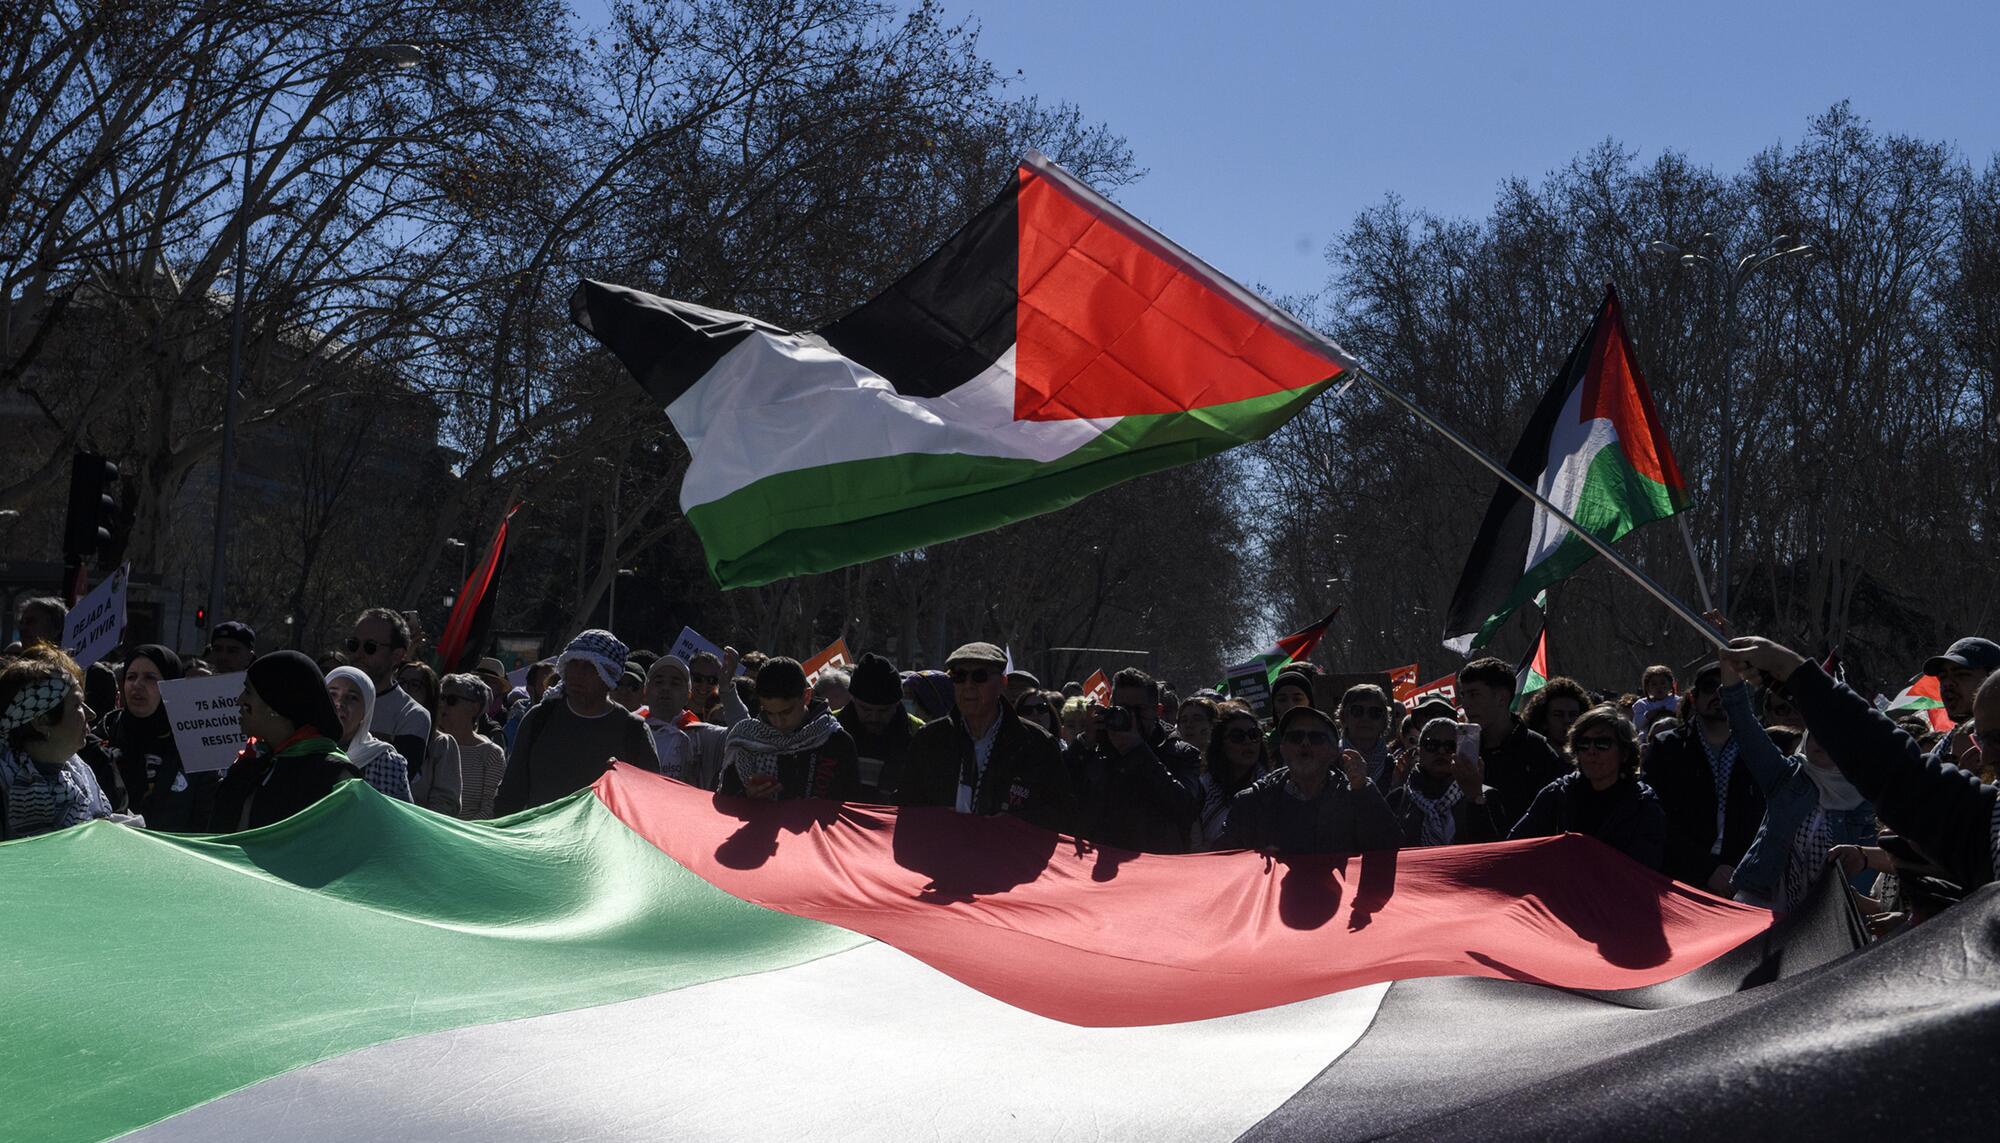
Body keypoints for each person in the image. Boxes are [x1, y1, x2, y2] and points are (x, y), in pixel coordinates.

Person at [1726, 635, 1998, 896]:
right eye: (1981, 740)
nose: (1985, 757)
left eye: (1961, 675)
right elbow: (1899, 772)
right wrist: (1794, 676)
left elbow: (1902, 775)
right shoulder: (1791, 778)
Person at [1715, 658, 1876, 915]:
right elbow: (1743, 724)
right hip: (1760, 909)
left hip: (1825, 920)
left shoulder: (1867, 800)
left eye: (1831, 734)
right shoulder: (1787, 777)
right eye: (1816, 730)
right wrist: (1729, 661)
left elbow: (1866, 873)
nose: (1820, 740)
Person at [899, 642, 1074, 832]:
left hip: (1008, 856)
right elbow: (906, 804)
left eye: (979, 676)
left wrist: (1012, 823)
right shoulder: (929, 739)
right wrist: (937, 817)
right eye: (959, 676)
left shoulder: (1036, 744)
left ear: (1002, 683)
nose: (968, 685)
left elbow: (1062, 813)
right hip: (941, 854)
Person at [494, 630, 659, 814]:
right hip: (542, 840)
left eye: (589, 667)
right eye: (573, 664)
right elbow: (511, 793)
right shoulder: (539, 718)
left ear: (608, 676)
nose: (578, 674)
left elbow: (649, 803)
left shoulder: (633, 730)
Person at [1644, 662, 1768, 893]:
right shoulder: (1667, 747)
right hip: (1680, 880)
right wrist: (1706, 869)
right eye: (1710, 687)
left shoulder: (1761, 749)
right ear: (1693, 698)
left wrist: (1740, 869)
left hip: (1746, 880)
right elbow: (1654, 817)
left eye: (1728, 689)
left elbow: (1770, 817)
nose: (1719, 695)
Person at [210, 651, 362, 831]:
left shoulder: (335, 778)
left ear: (275, 705)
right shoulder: (248, 768)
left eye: (248, 692)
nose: (239, 700)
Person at [1221, 704, 1401, 855]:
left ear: (1333, 752)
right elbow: (1226, 865)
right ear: (1283, 749)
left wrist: (1364, 790)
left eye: (1316, 738)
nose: (1304, 743)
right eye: (1295, 737)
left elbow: (1390, 850)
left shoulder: (1354, 796)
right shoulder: (1252, 802)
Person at [1508, 706, 1667, 870]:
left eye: (1602, 744)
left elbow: (1645, 871)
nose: (1591, 751)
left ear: (1624, 753)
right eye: (1584, 744)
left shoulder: (1642, 805)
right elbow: (1514, 847)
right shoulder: (1557, 793)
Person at [1069, 667, 1202, 853]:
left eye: (1138, 710)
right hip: (1100, 860)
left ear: (1158, 711)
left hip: (1156, 867)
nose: (1130, 717)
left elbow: (1186, 809)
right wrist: (1084, 743)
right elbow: (1058, 792)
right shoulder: (1098, 745)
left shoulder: (1181, 753)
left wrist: (1137, 750)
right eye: (1123, 709)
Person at [0, 646, 116, 839]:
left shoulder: (80, 776)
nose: (91, 714)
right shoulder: (5, 787)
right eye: (78, 705)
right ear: (42, 721)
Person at [717, 657, 858, 801]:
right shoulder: (746, 740)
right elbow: (724, 799)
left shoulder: (836, 741)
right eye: (769, 712)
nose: (778, 722)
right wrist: (747, 796)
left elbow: (850, 806)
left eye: (786, 712)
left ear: (806, 696)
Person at [1456, 657, 1566, 832]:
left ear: (1501, 698)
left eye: (1474, 694)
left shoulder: (1536, 750)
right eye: (1463, 694)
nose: (1466, 704)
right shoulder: (1463, 751)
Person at [101, 644, 194, 830]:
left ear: (170, 683)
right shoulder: (103, 737)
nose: (137, 685)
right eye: (131, 677)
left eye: (150, 678)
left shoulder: (192, 745)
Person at [1386, 717, 1505, 847]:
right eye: (1432, 745)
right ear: (1419, 751)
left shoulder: (1486, 795)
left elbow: (1494, 851)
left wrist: (1475, 798)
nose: (1441, 752)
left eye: (1451, 746)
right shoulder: (1398, 799)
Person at [344, 608, 430, 769]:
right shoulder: (330, 699)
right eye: (353, 644)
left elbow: (399, 779)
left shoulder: (412, 715)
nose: (358, 653)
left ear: (397, 655)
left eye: (370, 647)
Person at [836, 653, 921, 799]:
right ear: (852, 699)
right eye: (866, 709)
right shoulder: (826, 728)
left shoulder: (920, 734)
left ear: (897, 703)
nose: (875, 718)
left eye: (884, 710)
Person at [325, 667, 414, 802]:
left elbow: (395, 817)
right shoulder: (301, 748)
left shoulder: (386, 763)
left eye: (352, 698)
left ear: (366, 711)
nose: (339, 704)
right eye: (332, 694)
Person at [643, 655, 730, 789]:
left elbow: (744, 734)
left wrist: (726, 690)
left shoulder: (700, 734)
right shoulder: (628, 727)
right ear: (646, 690)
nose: (666, 688)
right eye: (659, 682)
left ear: (688, 694)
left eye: (675, 683)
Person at [430, 672, 506, 820]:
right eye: (441, 698)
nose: (442, 705)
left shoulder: (491, 754)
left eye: (451, 700)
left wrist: (459, 833)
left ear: (474, 708)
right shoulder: (428, 743)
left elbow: (490, 808)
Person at [394, 662, 463, 816]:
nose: (405, 689)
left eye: (415, 685)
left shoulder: (442, 744)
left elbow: (446, 802)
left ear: (430, 695)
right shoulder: (378, 731)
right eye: (401, 682)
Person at [1920, 637, 1999, 770]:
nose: (1947, 684)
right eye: (1942, 677)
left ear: (1993, 678)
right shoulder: (1943, 746)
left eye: (1961, 674)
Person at [1194, 705, 1268, 849]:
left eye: (1254, 734)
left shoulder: (1274, 788)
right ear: (1221, 743)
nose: (1247, 741)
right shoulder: (1201, 789)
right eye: (1237, 737)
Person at [1337, 684, 1397, 786]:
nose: (1365, 718)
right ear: (1344, 716)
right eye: (1357, 711)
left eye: (1374, 713)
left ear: (1384, 720)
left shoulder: (1394, 766)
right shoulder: (1330, 760)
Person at [1522, 677, 1590, 762]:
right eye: (1558, 715)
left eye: (1573, 715)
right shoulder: (1529, 762)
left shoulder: (1592, 765)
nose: (1567, 720)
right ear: (1544, 721)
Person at [1630, 665, 1679, 732]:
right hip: (1648, 739)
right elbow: (1637, 725)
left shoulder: (1677, 701)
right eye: (1654, 684)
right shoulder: (1642, 704)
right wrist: (1647, 716)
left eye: (1663, 683)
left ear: (1670, 685)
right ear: (1647, 687)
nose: (1659, 687)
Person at [687, 650, 727, 722]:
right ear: (688, 675)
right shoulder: (670, 704)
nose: (704, 686)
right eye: (698, 678)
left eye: (712, 680)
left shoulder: (720, 719)